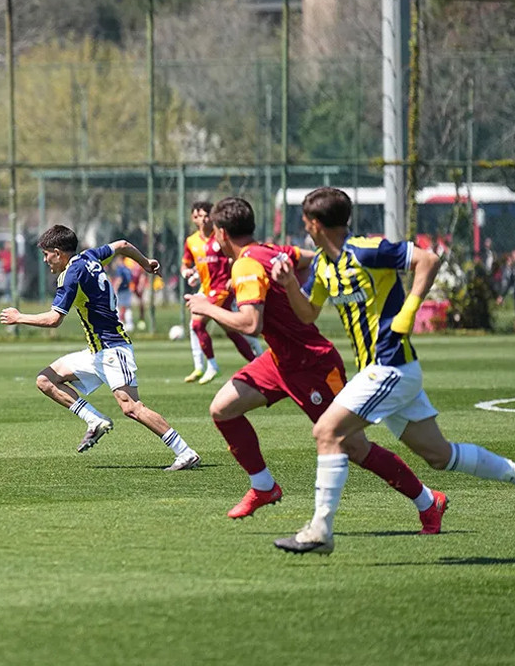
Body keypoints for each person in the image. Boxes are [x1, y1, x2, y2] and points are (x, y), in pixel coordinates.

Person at [272, 188, 515, 554]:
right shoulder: (323, 265)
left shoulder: (367, 249)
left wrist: (409, 311)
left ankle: (320, 531)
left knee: (326, 431)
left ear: (316, 223)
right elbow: (308, 313)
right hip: (383, 371)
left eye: (306, 220)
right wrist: (290, 283)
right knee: (440, 456)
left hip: (389, 367)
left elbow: (428, 260)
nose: (303, 226)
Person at [187, 197, 444, 533]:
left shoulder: (246, 265)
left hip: (313, 365)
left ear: (220, 233)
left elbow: (251, 324)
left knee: (352, 446)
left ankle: (428, 501)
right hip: (279, 360)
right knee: (223, 408)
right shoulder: (270, 250)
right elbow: (309, 258)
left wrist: (206, 307)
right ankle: (264, 486)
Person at [0, 225, 201, 471]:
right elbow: (123, 245)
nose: (45, 260)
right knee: (46, 380)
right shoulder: (90, 256)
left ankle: (185, 451)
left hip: (113, 350)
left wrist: (19, 317)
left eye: (46, 255)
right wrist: (145, 262)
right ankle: (94, 419)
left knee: (132, 407)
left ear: (58, 253)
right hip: (97, 352)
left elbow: (54, 320)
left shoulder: (71, 275)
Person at [180, 201, 261, 385]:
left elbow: (236, 257)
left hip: (223, 290)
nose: (203, 219)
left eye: (206, 215)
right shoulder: (191, 241)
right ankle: (256, 363)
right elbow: (186, 263)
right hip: (207, 290)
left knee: (197, 324)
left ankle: (212, 366)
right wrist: (189, 273)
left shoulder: (220, 239)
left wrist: (233, 276)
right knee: (232, 330)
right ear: (193, 218)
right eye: (199, 215)